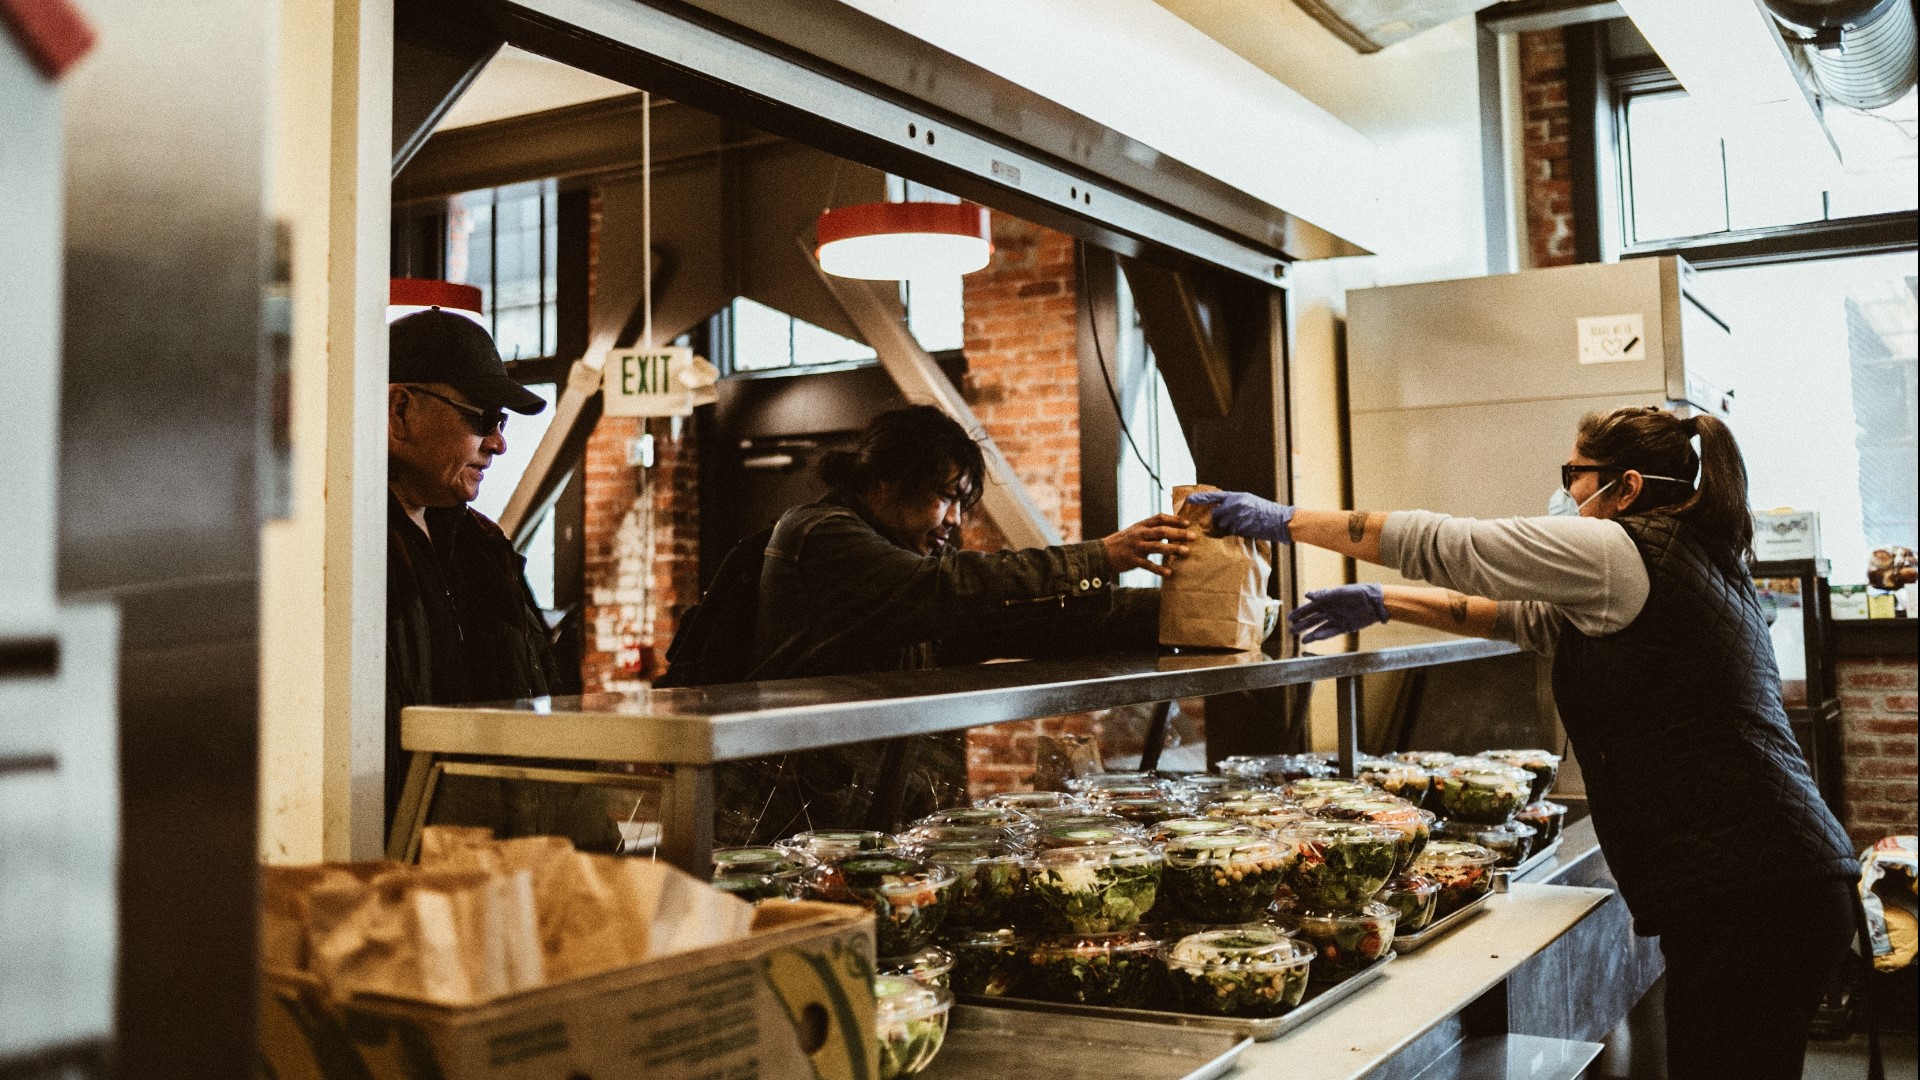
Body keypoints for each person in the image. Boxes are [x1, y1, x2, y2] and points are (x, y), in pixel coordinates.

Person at [1189, 405, 1858, 1080]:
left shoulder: (1620, 549)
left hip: (1754, 893)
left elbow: (1453, 544)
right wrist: (1385, 601)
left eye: (1575, 473)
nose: (1567, 490)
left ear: (1624, 487)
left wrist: (1286, 519)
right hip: (1773, 880)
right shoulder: (1690, 554)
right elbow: (1529, 622)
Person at [715, 405, 1196, 844]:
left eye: (964, 504)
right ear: (884, 480)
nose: (955, 520)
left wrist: (1183, 614)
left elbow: (1033, 619)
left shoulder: (913, 573)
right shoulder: (820, 534)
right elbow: (946, 586)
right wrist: (1096, 556)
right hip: (782, 830)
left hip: (856, 825)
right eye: (947, 497)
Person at [384, 309, 606, 847]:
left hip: (503, 856)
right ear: (400, 409)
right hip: (396, 863)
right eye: (482, 417)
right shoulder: (347, 551)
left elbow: (539, 696)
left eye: (501, 422)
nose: (498, 444)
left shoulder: (487, 548)